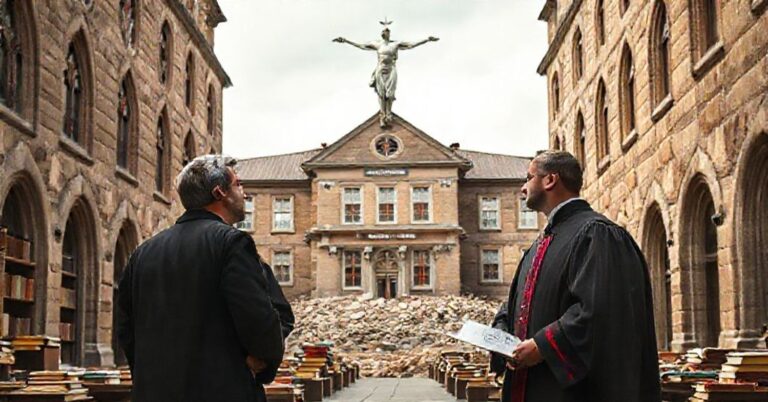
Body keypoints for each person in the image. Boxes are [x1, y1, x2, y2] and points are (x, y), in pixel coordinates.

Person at [117, 155, 292, 402]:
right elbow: (258, 318)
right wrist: (262, 362)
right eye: (238, 184)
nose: (245, 193)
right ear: (220, 192)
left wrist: (149, 376)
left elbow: (126, 328)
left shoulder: (143, 253)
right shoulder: (232, 243)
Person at [490, 151, 660, 402]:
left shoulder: (598, 235)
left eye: (528, 178)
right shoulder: (539, 246)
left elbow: (601, 312)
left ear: (550, 180)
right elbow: (516, 305)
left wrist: (542, 346)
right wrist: (500, 333)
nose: (523, 188)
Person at [333, 23, 438, 127]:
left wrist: (426, 40)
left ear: (389, 34)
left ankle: (389, 114)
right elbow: (362, 46)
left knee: (390, 95)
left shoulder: (395, 44)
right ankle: (383, 116)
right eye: (382, 31)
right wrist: (346, 41)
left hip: (391, 69)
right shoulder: (377, 44)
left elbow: (411, 45)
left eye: (385, 31)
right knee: (381, 94)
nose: (383, 33)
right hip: (380, 69)